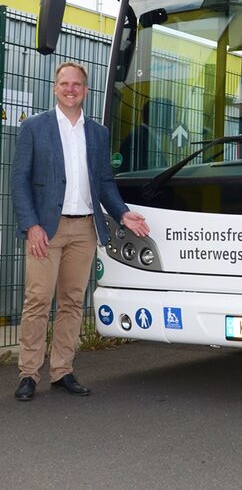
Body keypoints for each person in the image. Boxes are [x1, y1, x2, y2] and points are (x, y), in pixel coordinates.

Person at [11, 61, 149, 401]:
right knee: (38, 301)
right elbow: (19, 181)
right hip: (46, 229)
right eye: (64, 83)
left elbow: (104, 182)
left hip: (85, 228)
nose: (70, 88)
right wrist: (31, 225)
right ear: (55, 87)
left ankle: (62, 371)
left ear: (86, 90)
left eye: (77, 84)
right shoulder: (34, 128)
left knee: (72, 302)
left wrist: (123, 213)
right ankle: (29, 373)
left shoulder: (98, 133)